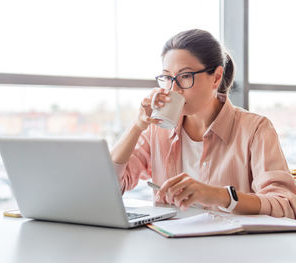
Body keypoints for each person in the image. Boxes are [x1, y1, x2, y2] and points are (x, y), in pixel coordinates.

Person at [111, 29, 296, 219]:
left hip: (234, 245)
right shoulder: (156, 130)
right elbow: (109, 186)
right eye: (167, 77)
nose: (174, 89)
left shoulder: (255, 130)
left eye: (185, 76)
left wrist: (218, 195)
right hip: (169, 244)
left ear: (216, 78)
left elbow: (286, 204)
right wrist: (137, 125)